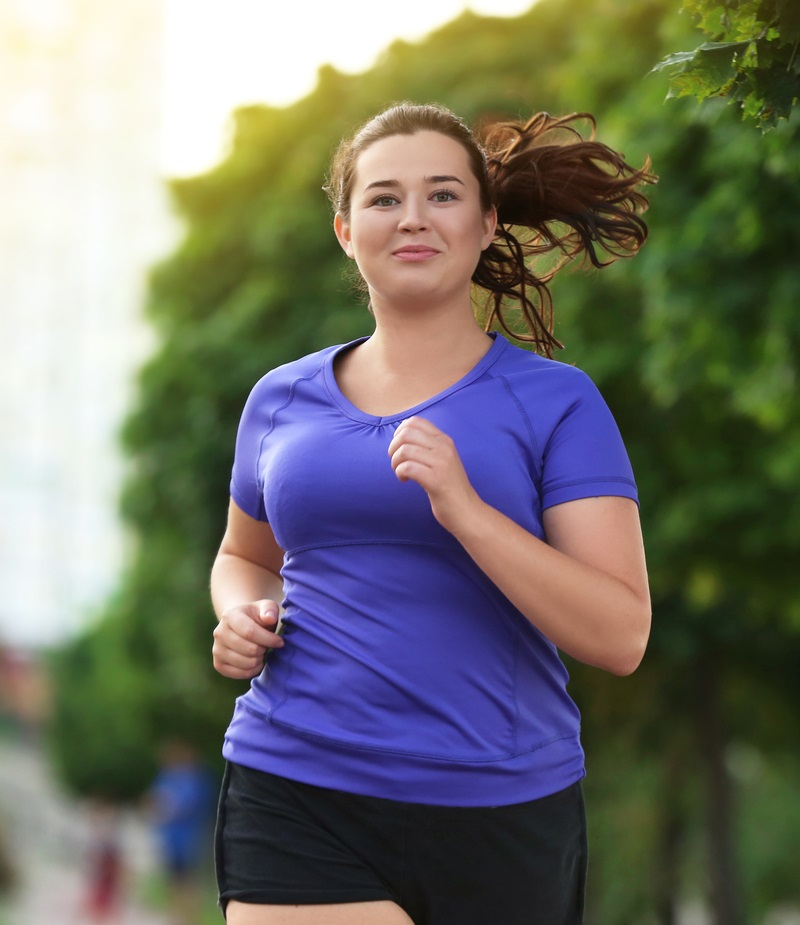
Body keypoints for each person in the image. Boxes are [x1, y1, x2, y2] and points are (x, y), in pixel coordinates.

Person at [211, 101, 655, 925]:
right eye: (384, 198)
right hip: (296, 780)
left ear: (487, 224)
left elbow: (620, 634)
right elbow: (244, 556)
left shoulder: (558, 403)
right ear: (346, 231)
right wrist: (242, 613)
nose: (412, 217)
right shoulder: (279, 398)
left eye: (443, 195)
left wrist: (468, 511)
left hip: (500, 807)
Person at [147, 740, 217, 925]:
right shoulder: (166, 777)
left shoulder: (195, 779)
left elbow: (178, 806)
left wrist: (162, 806)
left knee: (189, 881)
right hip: (171, 838)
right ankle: (177, 918)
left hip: (189, 839)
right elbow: (154, 802)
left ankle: (189, 919)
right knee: (173, 880)